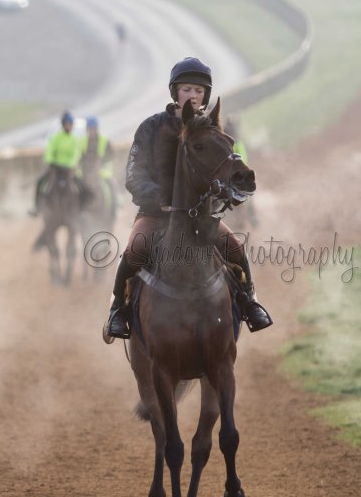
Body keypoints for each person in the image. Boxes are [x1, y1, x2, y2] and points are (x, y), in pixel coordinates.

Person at [104, 57, 273, 339]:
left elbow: (221, 173)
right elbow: (134, 176)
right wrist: (160, 199)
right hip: (155, 215)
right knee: (135, 249)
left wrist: (231, 191)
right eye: (187, 90)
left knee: (236, 248)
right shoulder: (150, 128)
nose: (193, 96)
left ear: (205, 95)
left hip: (201, 218)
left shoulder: (212, 132)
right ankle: (117, 310)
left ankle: (250, 302)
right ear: (175, 92)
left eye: (199, 90)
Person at [31, 111, 84, 217]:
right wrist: (51, 161)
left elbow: (76, 154)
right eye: (67, 124)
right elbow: (49, 152)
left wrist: (70, 165)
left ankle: (82, 210)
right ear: (63, 125)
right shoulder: (55, 138)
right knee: (40, 183)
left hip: (69, 170)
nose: (69, 126)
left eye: (70, 124)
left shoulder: (75, 140)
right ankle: (38, 208)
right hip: (56, 169)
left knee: (83, 186)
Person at [79, 115, 116, 224]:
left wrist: (100, 164)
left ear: (96, 128)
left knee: (112, 187)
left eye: (93, 128)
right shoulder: (82, 141)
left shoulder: (104, 140)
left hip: (103, 173)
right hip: (87, 173)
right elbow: (80, 158)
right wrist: (84, 167)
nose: (92, 131)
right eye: (90, 129)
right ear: (87, 129)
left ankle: (113, 211)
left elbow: (110, 155)